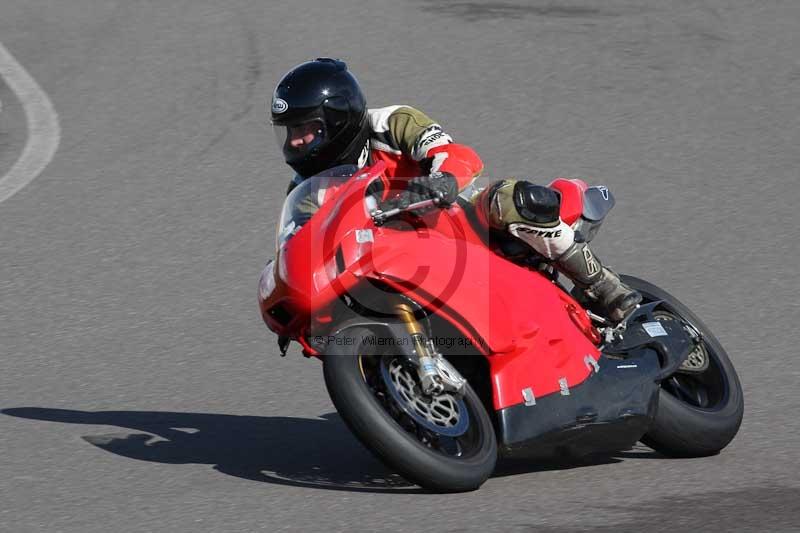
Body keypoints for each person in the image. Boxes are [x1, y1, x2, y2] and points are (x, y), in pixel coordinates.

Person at [270, 58, 641, 323]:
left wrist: (442, 179)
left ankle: (606, 288)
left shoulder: (391, 123)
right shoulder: (305, 191)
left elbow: (453, 153)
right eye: (289, 132)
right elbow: (302, 241)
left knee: (511, 200)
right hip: (389, 261)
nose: (298, 142)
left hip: (455, 222)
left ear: (337, 118)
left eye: (307, 128)